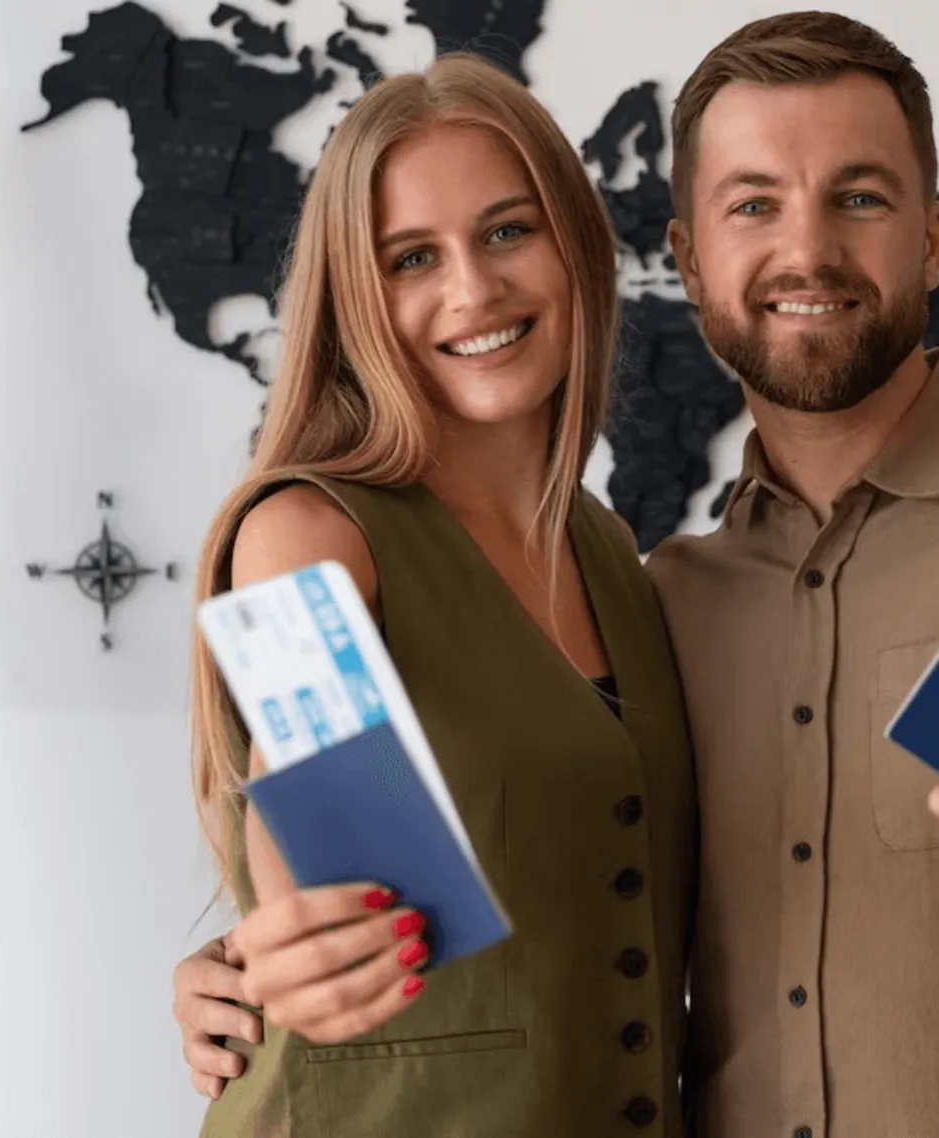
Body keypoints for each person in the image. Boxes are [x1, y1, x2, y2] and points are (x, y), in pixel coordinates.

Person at [176, 13, 939, 1137]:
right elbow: (354, 819)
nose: (805, 251)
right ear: (691, 256)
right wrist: (264, 952)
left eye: (859, 197)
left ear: (936, 239)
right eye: (754, 204)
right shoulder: (673, 591)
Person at [181, 51, 697, 1136]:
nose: (474, 288)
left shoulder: (608, 551)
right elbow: (307, 824)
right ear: (358, 296)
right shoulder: (305, 535)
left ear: (576, 247)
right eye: (412, 257)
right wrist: (288, 941)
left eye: (508, 230)